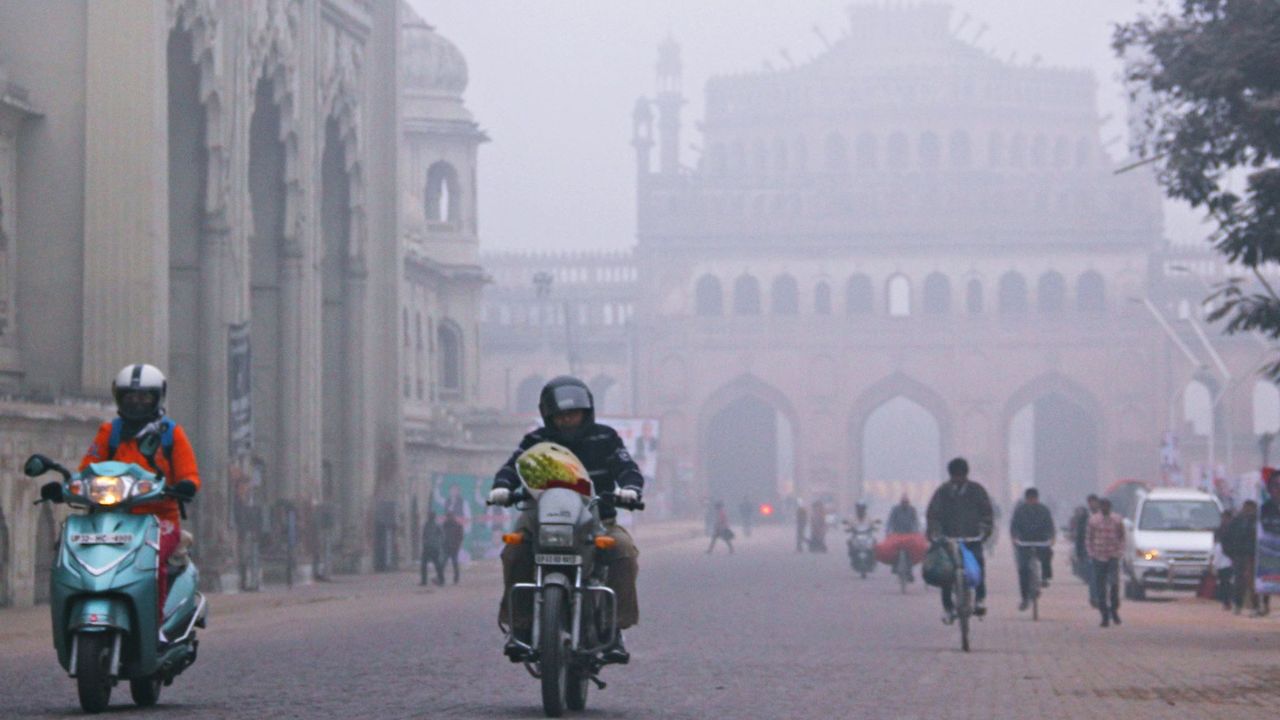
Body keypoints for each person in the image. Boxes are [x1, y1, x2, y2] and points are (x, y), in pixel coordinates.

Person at [489, 376, 642, 664]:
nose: (568, 420)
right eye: (561, 415)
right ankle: (519, 626)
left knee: (624, 552)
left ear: (587, 412)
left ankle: (615, 629)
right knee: (513, 551)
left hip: (597, 520)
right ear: (549, 416)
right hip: (540, 520)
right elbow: (512, 467)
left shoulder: (606, 438)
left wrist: (631, 489)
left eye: (574, 413)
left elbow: (627, 468)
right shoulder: (536, 441)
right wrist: (502, 486)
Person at [76, 364, 199, 638]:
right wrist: (72, 484)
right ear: (119, 398)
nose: (137, 403)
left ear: (157, 398)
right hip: (112, 518)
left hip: (160, 520)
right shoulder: (110, 432)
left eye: (144, 397)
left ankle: (152, 627)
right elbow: (88, 466)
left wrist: (184, 485)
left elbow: (189, 472)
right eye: (130, 397)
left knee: (151, 563)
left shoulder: (170, 433)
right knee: (77, 550)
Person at [925, 457, 993, 622]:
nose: (957, 479)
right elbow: (933, 515)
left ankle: (979, 599)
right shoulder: (942, 492)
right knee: (946, 573)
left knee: (978, 565)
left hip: (972, 538)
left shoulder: (977, 491)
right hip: (949, 539)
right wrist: (935, 533)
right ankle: (948, 608)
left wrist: (984, 530)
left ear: (965, 474)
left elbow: (987, 514)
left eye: (960, 475)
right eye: (955, 476)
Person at [1009, 487, 1055, 611]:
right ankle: (1025, 598)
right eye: (1030, 499)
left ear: (1037, 498)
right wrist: (1015, 538)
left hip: (1041, 541)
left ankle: (1045, 577)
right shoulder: (1020, 511)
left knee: (1047, 555)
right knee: (1023, 569)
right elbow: (1014, 526)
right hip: (1024, 542)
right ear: (1026, 498)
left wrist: (1051, 537)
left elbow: (1050, 525)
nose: (1032, 501)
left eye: (1033, 499)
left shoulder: (1044, 510)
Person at [1086, 498, 1125, 627]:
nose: (1105, 509)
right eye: (1102, 506)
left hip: (1113, 556)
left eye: (1107, 506)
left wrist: (1120, 551)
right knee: (1100, 588)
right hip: (1098, 556)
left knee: (1114, 585)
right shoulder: (1093, 520)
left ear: (1110, 507)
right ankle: (1104, 615)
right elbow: (1089, 538)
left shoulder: (1117, 520)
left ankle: (1114, 609)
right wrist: (1091, 553)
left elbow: (1122, 536)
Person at [1222, 500, 1259, 615]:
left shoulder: (1258, 522)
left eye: (1251, 508)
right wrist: (1231, 554)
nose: (1248, 510)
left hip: (1254, 557)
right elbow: (1227, 538)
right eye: (1246, 508)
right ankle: (1238, 605)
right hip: (1239, 555)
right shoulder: (1237, 522)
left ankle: (1255, 607)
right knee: (1239, 582)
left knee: (1252, 583)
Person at [1213, 508, 1235, 611]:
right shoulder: (1219, 529)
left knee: (1228, 581)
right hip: (1221, 557)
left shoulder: (1234, 529)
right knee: (1223, 582)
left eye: (1226, 518)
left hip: (1230, 558)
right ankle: (1225, 601)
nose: (1224, 520)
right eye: (1223, 518)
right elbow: (1216, 545)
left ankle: (1229, 601)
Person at [420, 509, 445, 586]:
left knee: (437, 564)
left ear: (433, 517)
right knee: (424, 565)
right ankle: (424, 581)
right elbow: (424, 535)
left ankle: (441, 580)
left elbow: (442, 535)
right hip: (427, 547)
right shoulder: (426, 525)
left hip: (434, 547)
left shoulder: (437, 525)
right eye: (429, 516)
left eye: (431, 516)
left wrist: (439, 543)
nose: (429, 517)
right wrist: (424, 542)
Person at [442, 507, 465, 585]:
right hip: (449, 547)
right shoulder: (446, 525)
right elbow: (461, 537)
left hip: (452, 547)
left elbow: (460, 537)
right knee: (449, 563)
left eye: (449, 516)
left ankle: (455, 578)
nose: (448, 518)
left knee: (451, 563)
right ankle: (443, 577)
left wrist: (457, 545)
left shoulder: (455, 525)